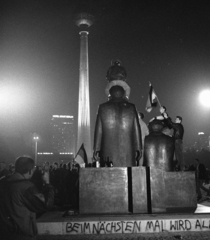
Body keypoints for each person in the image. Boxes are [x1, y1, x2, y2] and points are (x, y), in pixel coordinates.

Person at [0, 156, 54, 239]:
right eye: (33, 169)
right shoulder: (26, 187)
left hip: (4, 232)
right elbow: (46, 204)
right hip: (21, 234)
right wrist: (47, 184)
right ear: (29, 171)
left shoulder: (3, 181)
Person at [93, 85, 142, 167]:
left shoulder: (102, 107)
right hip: (127, 149)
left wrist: (96, 148)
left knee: (108, 175)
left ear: (110, 94)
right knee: (127, 173)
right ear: (123, 94)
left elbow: (98, 130)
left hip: (107, 149)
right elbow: (136, 129)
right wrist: (138, 147)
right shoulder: (131, 107)